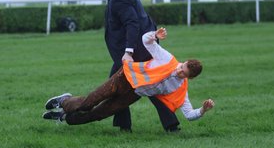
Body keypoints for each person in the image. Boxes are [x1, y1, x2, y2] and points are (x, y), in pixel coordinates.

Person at [43, 28, 215, 131]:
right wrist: (154, 34)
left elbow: (189, 115)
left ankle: (65, 118)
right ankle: (65, 100)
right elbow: (146, 41)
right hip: (124, 78)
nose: (179, 71)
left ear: (189, 78)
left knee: (98, 114)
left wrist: (203, 110)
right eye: (181, 66)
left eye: (183, 73)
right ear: (183, 62)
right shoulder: (167, 58)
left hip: (133, 94)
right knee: (89, 103)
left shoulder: (180, 89)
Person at [93, 0, 181, 132]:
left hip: (134, 53)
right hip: (139, 50)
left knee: (117, 87)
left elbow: (132, 23)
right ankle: (167, 125)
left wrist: (128, 52)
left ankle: (126, 127)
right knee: (138, 86)